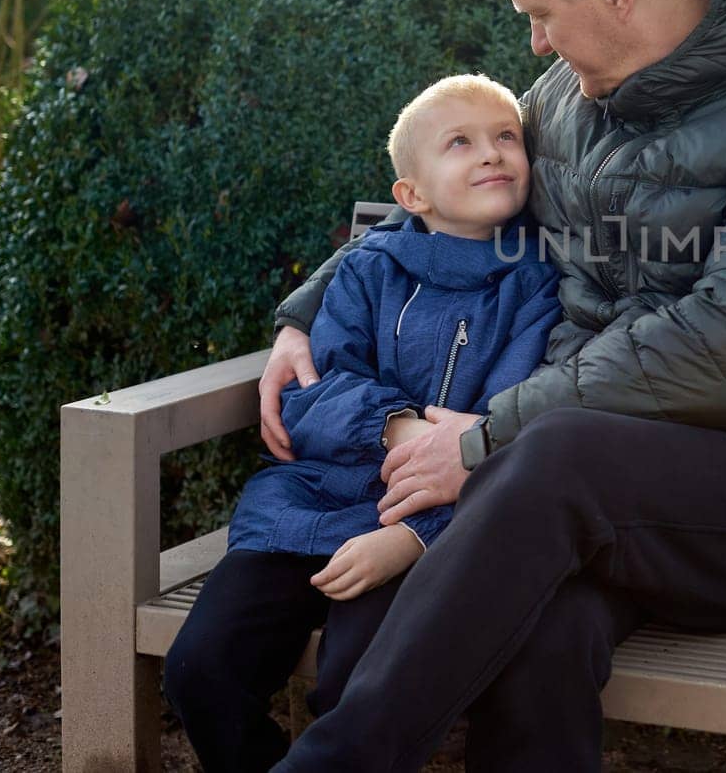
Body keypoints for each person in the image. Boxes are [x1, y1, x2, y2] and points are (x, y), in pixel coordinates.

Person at [259, 0, 726, 773]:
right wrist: (309, 309)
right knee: (541, 637)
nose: (536, 45)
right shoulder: (568, 99)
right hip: (576, 495)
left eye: (543, 15)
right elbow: (454, 208)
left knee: (553, 453)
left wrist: (484, 440)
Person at [164, 74, 560, 772]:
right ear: (412, 195)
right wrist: (394, 426)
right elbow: (310, 395)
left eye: (506, 137)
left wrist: (411, 539)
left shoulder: (539, 286)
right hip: (306, 508)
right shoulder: (366, 270)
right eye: (460, 142)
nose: (492, 153)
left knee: (356, 691)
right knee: (202, 669)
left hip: (429, 530)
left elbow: (510, 438)